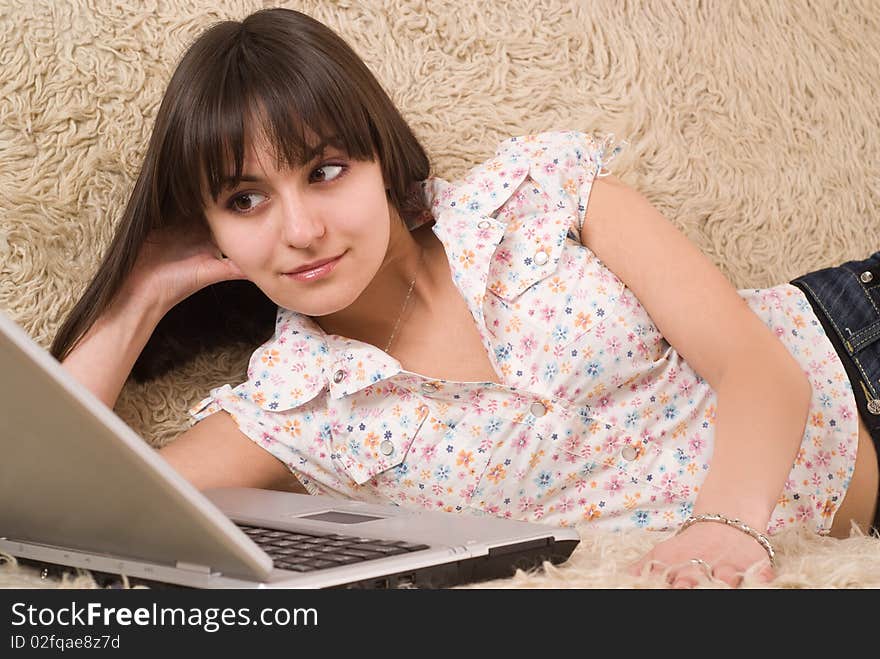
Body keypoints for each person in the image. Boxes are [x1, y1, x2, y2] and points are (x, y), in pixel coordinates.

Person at [51, 7, 879, 589]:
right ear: (209, 232)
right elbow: (65, 520)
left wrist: (725, 530)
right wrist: (143, 291)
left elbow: (757, 368)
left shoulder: (537, 194)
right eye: (244, 200)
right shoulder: (295, 408)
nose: (299, 228)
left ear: (378, 157)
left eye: (325, 171)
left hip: (854, 337)